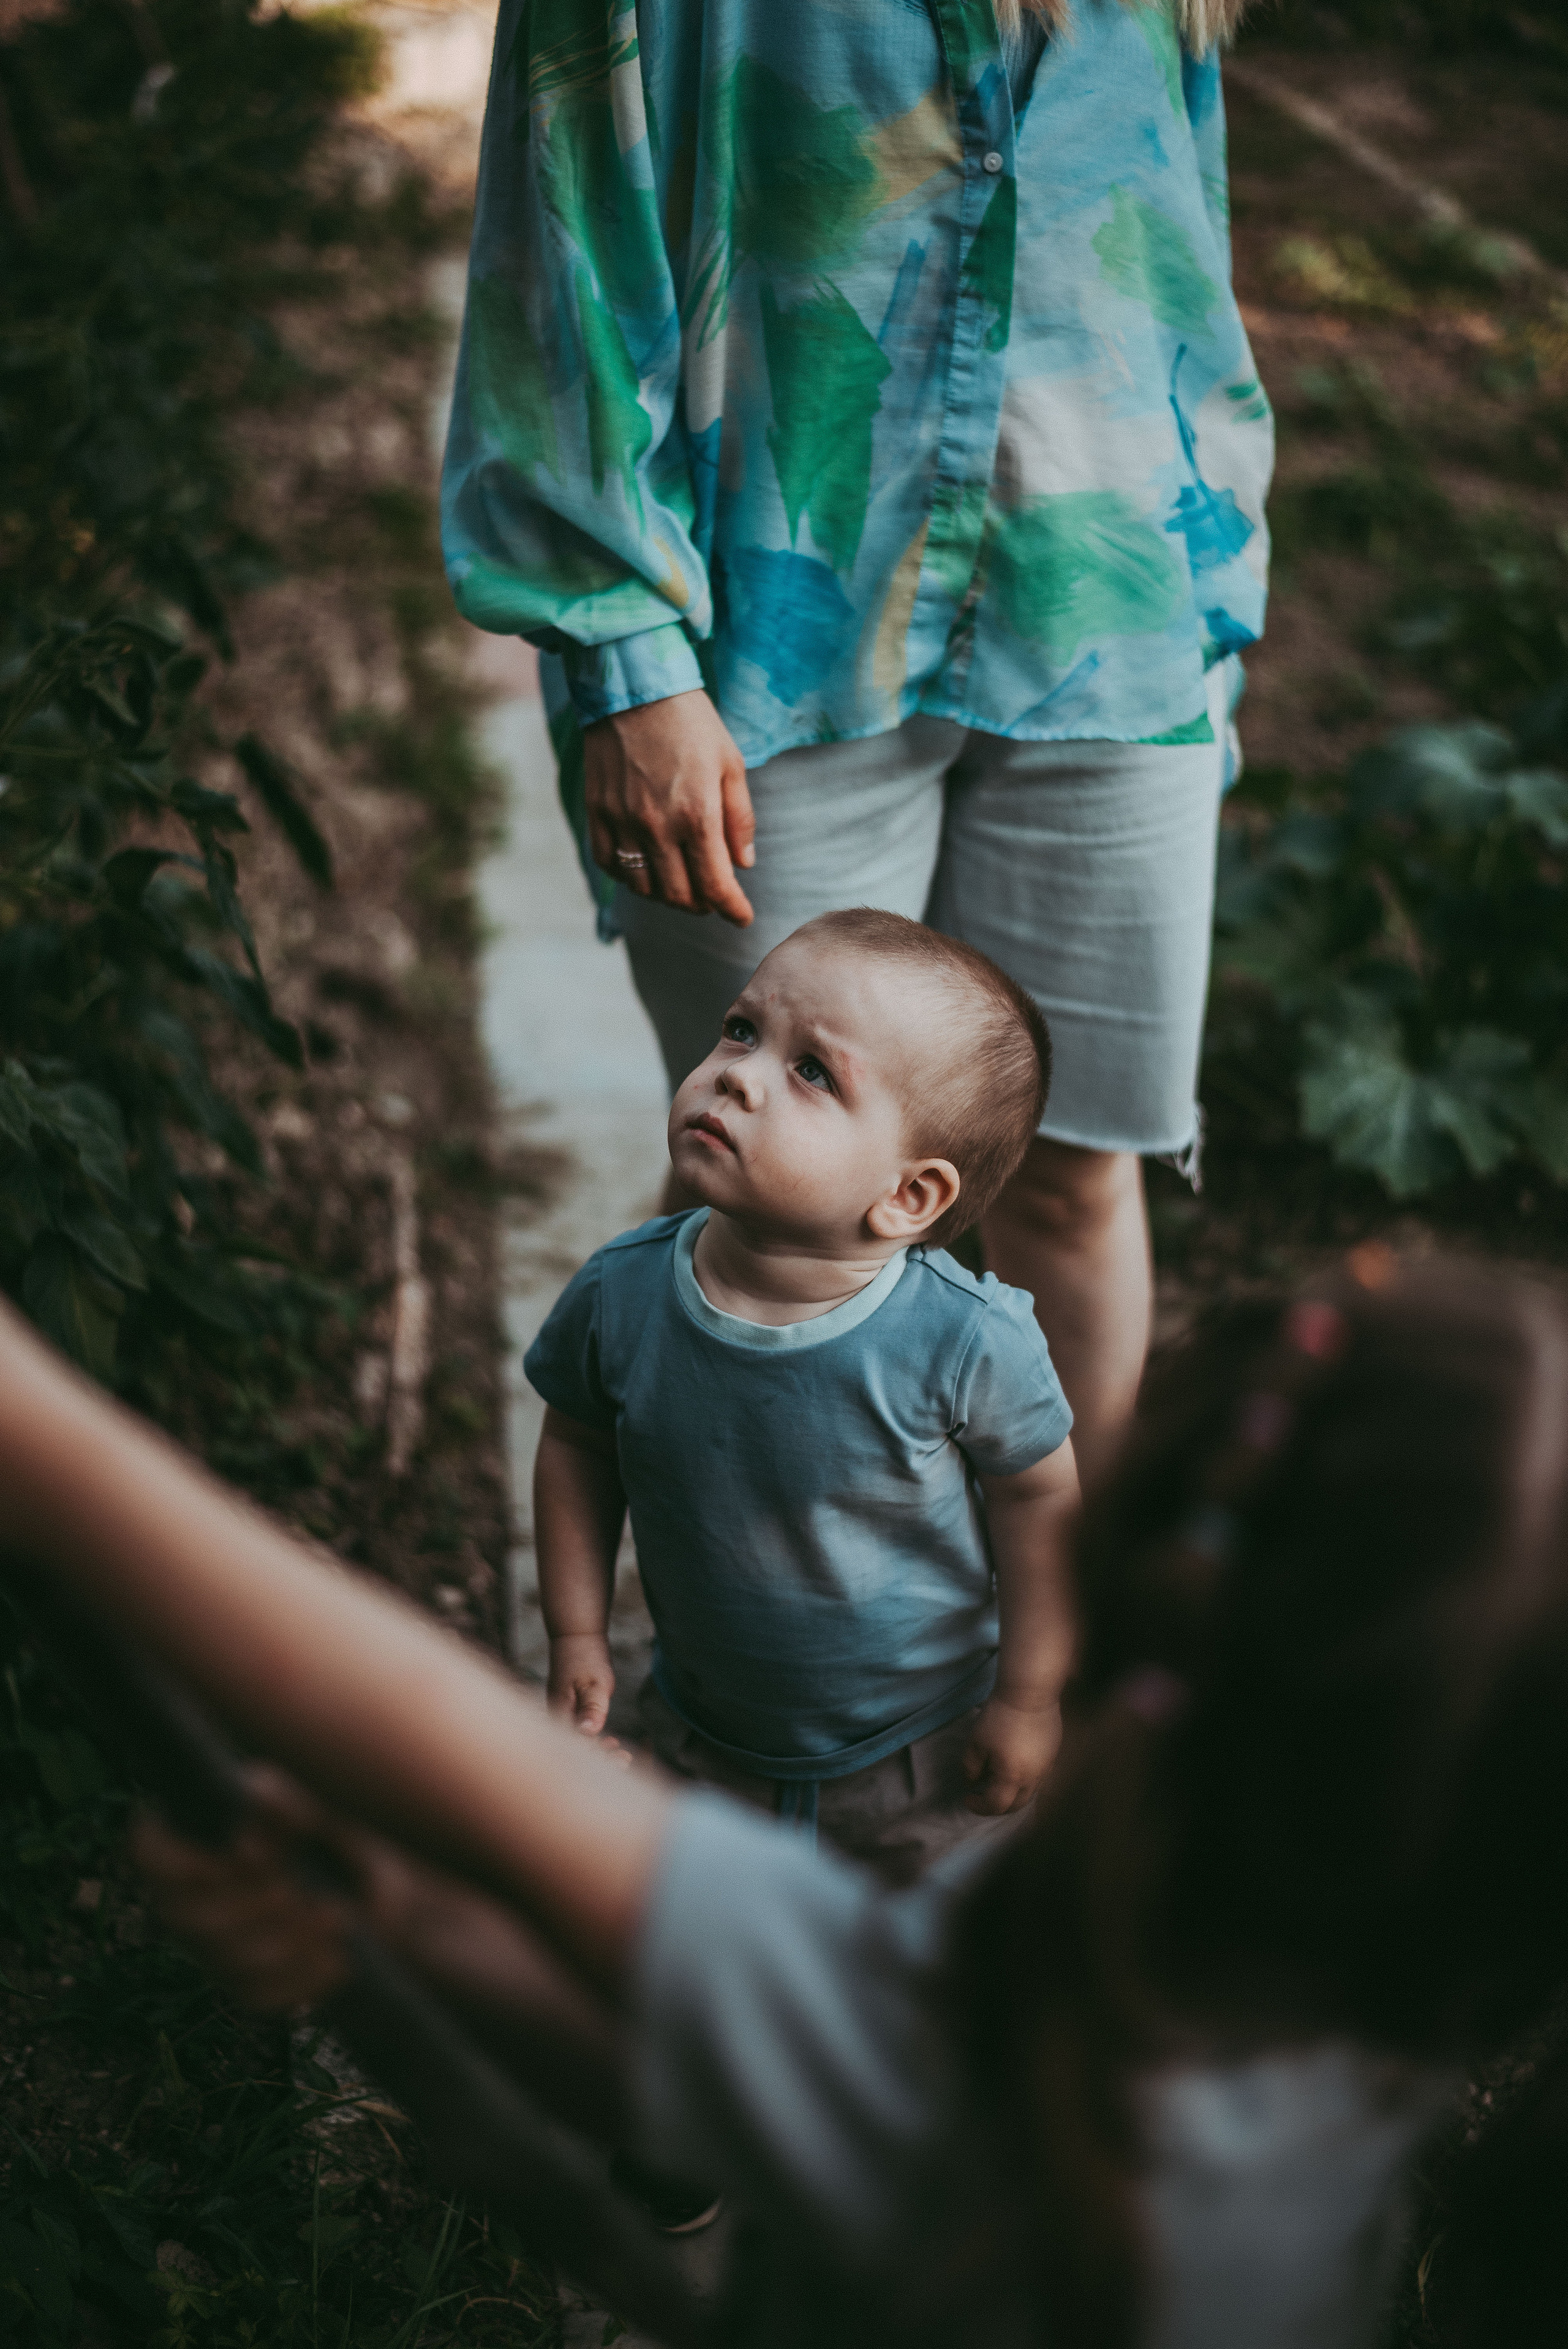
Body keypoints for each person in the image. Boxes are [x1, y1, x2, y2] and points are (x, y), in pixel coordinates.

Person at [109, 1250, 1568, 2348]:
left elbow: (445, 1751)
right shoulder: (1345, 2016)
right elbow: (746, 2088)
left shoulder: (961, 2055)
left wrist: (404, 1890)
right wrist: (397, 1922)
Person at [441, 0, 1270, 1485]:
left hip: (1110, 620)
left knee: (1079, 1181)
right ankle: (748, 1678)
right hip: (761, 642)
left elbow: (1176, 236)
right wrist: (626, 661)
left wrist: (1210, 607)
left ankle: (1048, 1674)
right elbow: (556, 245)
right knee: (770, 1199)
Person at [529, 909, 1079, 1883]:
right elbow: (576, 1443)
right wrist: (577, 1630)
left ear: (909, 1197)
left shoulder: (965, 1340)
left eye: (812, 1071)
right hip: (701, 1734)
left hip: (920, 1755)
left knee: (923, 1973)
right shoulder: (623, 1293)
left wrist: (1030, 1697)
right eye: (743, 1029)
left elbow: (1041, 1501)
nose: (737, 1072)